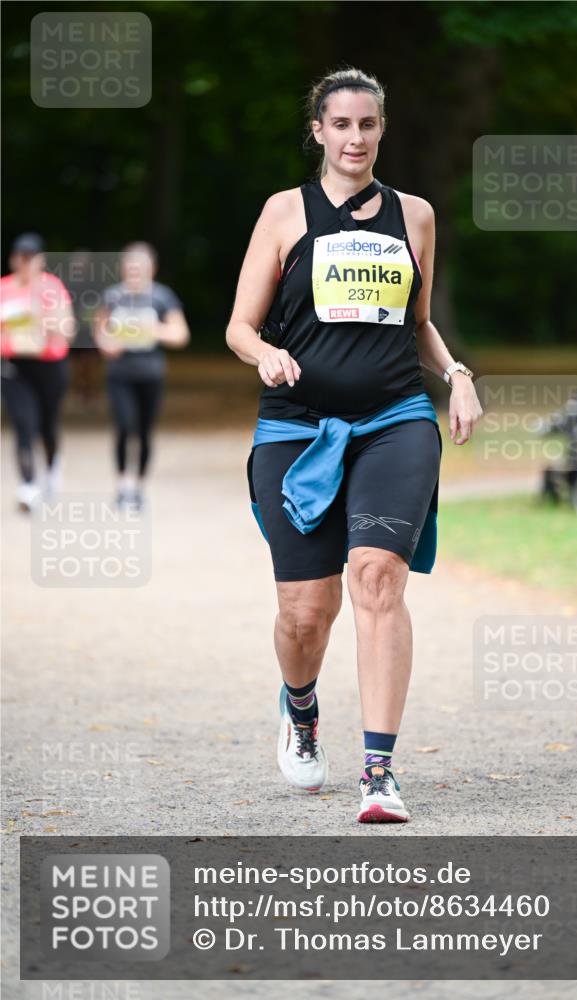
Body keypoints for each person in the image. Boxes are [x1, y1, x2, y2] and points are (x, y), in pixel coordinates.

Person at [226, 68, 483, 823]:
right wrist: (261, 355)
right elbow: (240, 326)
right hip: (295, 426)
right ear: (318, 130)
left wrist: (455, 373)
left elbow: (418, 319)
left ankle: (379, 771)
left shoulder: (416, 216)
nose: (355, 138)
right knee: (306, 614)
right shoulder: (284, 213)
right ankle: (300, 706)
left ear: (381, 129)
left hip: (394, 419)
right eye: (340, 124)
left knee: (376, 578)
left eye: (367, 124)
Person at [94, 242, 190, 510]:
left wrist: (152, 329)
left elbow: (180, 335)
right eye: (130, 267)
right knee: (125, 427)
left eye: (140, 268)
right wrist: (108, 344)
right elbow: (100, 330)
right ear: (123, 268)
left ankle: (138, 488)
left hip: (151, 374)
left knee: (145, 432)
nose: (135, 272)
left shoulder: (162, 297)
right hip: (120, 374)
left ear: (152, 269)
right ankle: (122, 487)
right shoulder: (113, 296)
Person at [0, 233, 75, 511]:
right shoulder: (4, 288)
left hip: (49, 366)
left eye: (30, 258)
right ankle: (28, 486)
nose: (25, 263)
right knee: (23, 424)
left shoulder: (52, 288)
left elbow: (67, 330)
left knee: (47, 426)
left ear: (40, 261)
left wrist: (40, 318)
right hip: (14, 366)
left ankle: (53, 468)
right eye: (20, 258)